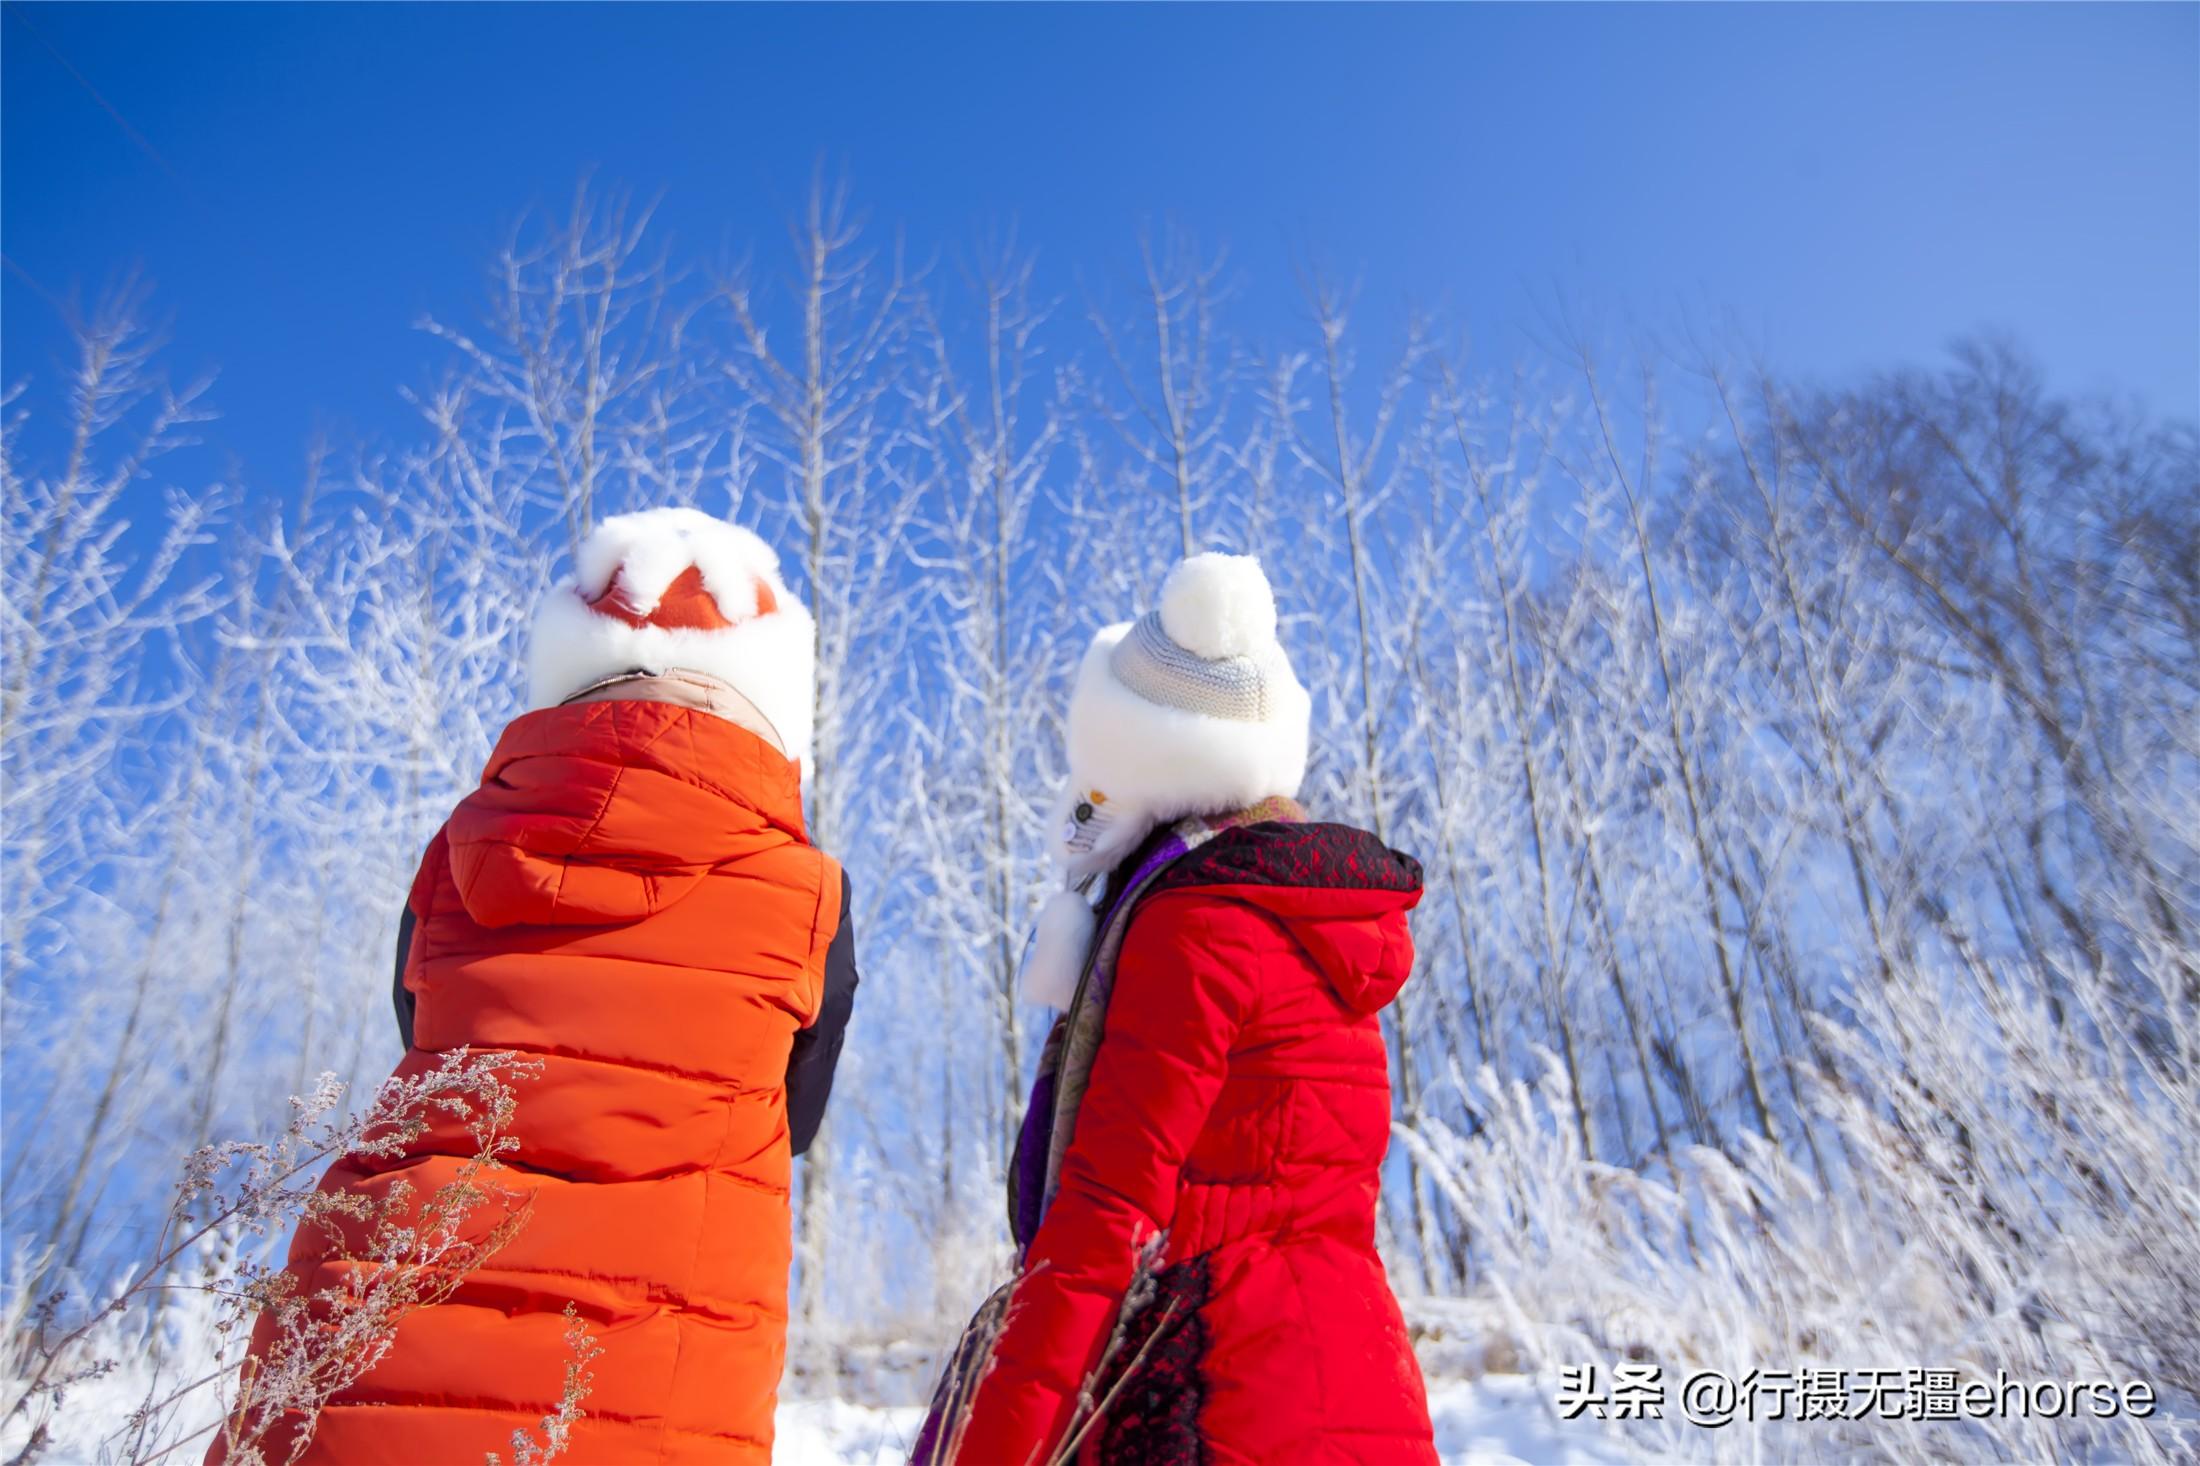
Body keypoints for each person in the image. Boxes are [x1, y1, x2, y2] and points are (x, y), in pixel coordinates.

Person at [217, 508, 858, 1464]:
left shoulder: (462, 847)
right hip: (639, 1376)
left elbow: (422, 1032)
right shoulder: (805, 892)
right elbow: (795, 1116)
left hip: (366, 1343)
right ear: (769, 694)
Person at [924, 553, 1436, 1464]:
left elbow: (1104, 1219)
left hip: (1215, 1396)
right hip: (1359, 1377)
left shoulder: (1195, 926)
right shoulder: (1316, 916)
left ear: (1134, 755)